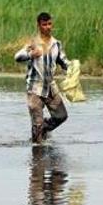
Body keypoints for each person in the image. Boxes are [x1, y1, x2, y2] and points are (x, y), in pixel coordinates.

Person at [14, 12, 70, 143]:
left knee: (61, 116)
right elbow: (17, 56)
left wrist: (73, 67)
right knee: (37, 133)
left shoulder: (56, 44)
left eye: (49, 24)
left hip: (50, 87)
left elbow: (64, 61)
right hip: (34, 89)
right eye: (44, 24)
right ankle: (37, 152)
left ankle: (44, 128)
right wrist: (31, 55)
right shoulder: (33, 43)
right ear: (39, 25)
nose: (48, 27)